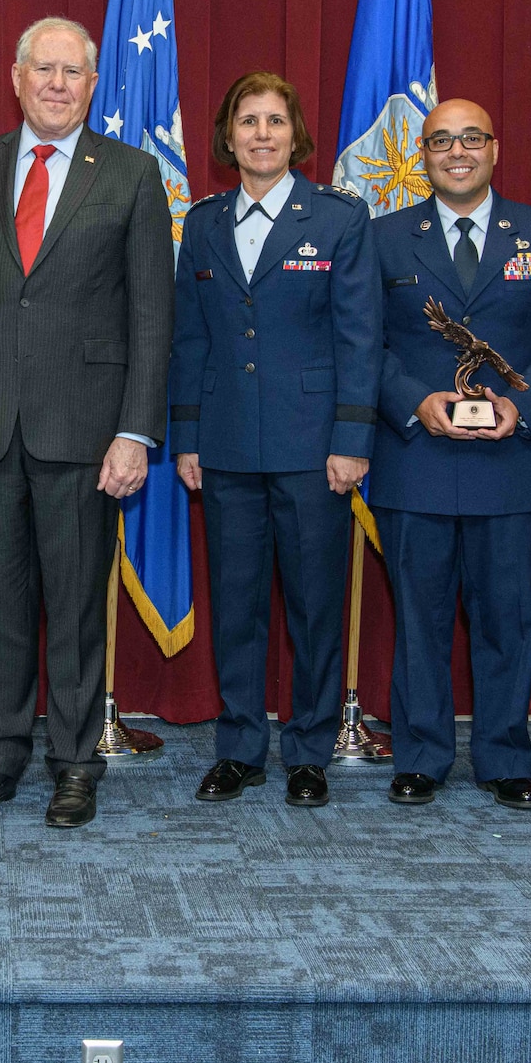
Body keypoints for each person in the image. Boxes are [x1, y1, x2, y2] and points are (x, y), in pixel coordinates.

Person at [0, 16, 174, 830]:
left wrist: (135, 431)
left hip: (86, 430)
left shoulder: (131, 174)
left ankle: (73, 761)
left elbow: (151, 317)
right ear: (17, 77)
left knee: (72, 606)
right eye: (45, 69)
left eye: (74, 72)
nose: (59, 84)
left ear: (93, 86)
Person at [367, 99, 531, 810]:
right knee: (420, 618)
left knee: (508, 618)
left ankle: (504, 756)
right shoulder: (382, 238)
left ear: (495, 148)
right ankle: (423, 755)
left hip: (513, 461)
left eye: (471, 138)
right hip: (418, 459)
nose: (457, 151)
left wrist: (524, 407)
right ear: (424, 152)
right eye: (441, 140)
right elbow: (359, 343)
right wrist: (416, 399)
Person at [169, 72, 376, 809]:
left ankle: (310, 750)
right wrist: (187, 434)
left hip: (314, 448)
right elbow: (189, 336)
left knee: (315, 605)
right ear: (227, 137)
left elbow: (360, 336)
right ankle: (239, 747)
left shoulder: (339, 218)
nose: (261, 133)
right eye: (247, 121)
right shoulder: (202, 221)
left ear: (296, 136)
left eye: (275, 122)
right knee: (236, 603)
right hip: (225, 446)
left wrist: (353, 438)